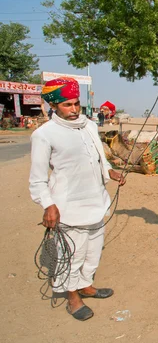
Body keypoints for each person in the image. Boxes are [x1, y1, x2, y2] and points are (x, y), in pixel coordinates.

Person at [29, 77, 126, 322]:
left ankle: (86, 285)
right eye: (67, 105)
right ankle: (73, 297)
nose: (74, 110)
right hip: (68, 206)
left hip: (96, 200)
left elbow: (98, 158)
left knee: (93, 251)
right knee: (71, 254)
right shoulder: (44, 135)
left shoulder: (89, 126)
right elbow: (37, 179)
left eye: (76, 104)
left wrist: (109, 171)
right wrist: (48, 204)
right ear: (54, 106)